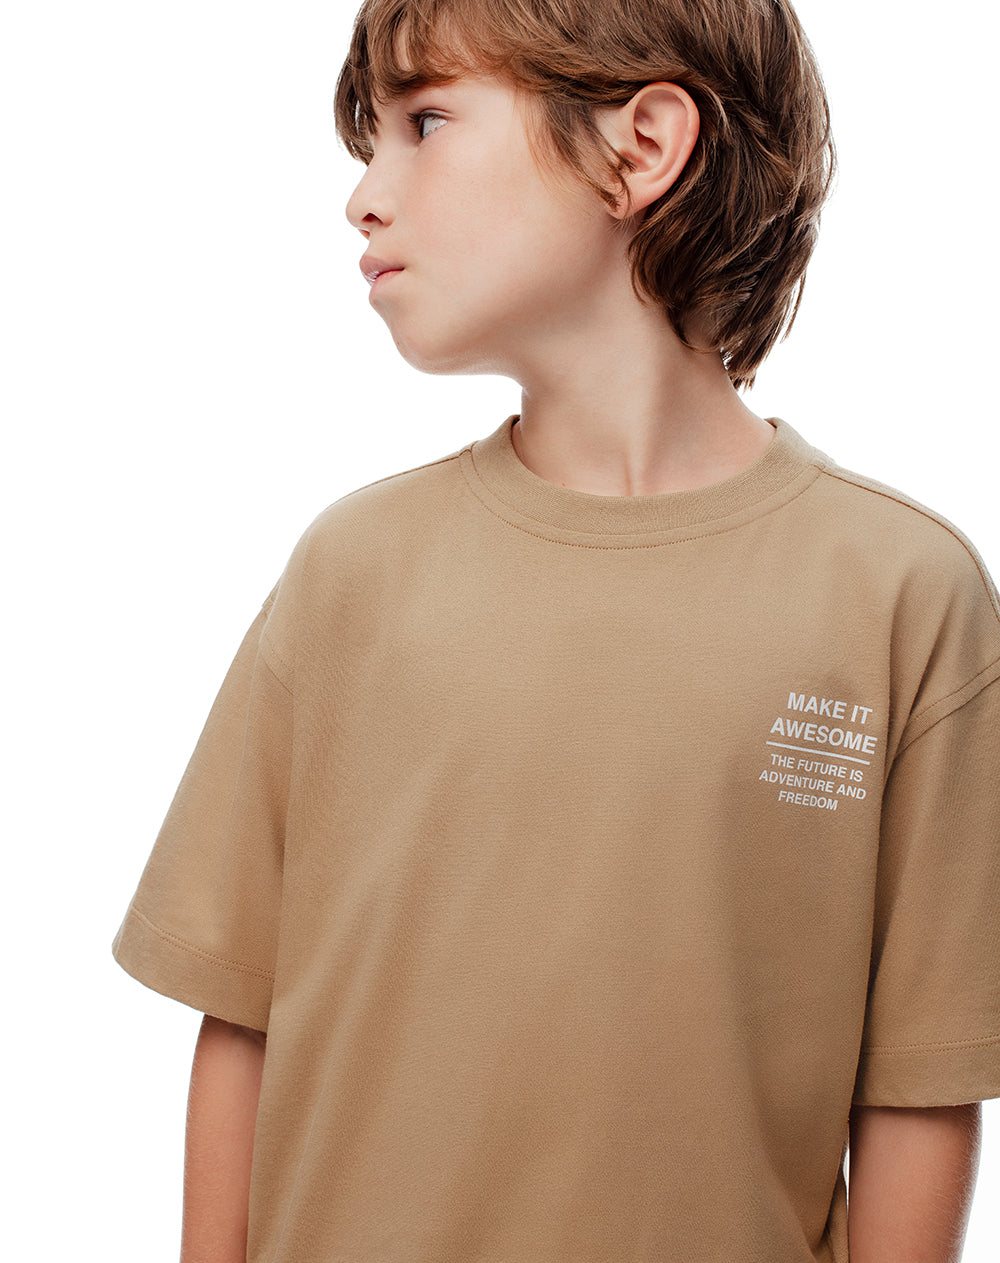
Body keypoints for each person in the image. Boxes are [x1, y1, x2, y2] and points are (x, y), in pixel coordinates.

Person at [112, 1, 999, 1259]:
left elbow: (916, 1083)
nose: (363, 198)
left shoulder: (900, 594)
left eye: (425, 123)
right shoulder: (353, 573)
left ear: (641, 147)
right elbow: (242, 1015)